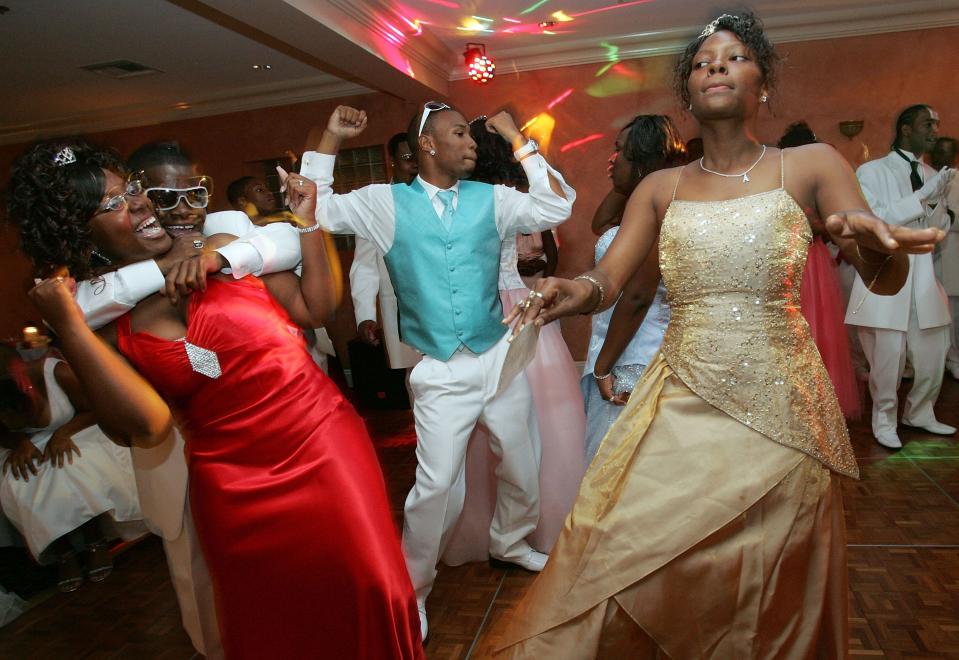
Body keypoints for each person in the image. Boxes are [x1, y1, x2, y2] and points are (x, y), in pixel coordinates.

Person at [493, 12, 943, 657]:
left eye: (733, 57)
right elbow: (611, 283)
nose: (716, 67)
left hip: (783, 407)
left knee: (769, 570)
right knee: (624, 538)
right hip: (679, 397)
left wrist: (879, 250)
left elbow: (887, 273)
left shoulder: (810, 164)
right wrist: (573, 292)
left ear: (762, 83)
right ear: (689, 91)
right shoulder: (660, 186)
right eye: (703, 61)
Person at [10, 140, 423, 659]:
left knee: (370, 586)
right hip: (230, 481)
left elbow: (317, 306)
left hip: (322, 446)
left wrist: (305, 223)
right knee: (269, 618)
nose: (139, 204)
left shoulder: (229, 246)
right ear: (81, 234)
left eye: (133, 190)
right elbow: (147, 425)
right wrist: (68, 325)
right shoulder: (104, 324)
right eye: (113, 204)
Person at [300, 103, 575, 640]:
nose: (471, 142)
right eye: (458, 134)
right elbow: (319, 209)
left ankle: (510, 542)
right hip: (440, 372)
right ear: (427, 144)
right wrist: (330, 138)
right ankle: (414, 589)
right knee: (434, 486)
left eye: (473, 136)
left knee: (521, 460)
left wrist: (517, 138)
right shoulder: (385, 203)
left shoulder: (491, 198)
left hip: (498, 355)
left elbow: (555, 205)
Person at [66, 139, 303, 658]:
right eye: (156, 195)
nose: (171, 209)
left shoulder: (219, 236)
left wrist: (220, 255)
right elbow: (125, 412)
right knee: (198, 580)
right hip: (177, 458)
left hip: (259, 449)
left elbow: (289, 244)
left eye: (188, 193)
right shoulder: (94, 301)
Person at [441, 117, 585, 564]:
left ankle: (498, 528)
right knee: (538, 421)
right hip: (512, 307)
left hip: (491, 309)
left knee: (506, 426)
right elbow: (561, 205)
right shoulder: (506, 200)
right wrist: (523, 143)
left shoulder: (476, 200)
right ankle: (535, 527)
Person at [845, 105, 956, 448]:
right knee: (887, 358)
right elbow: (876, 220)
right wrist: (921, 197)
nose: (934, 131)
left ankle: (920, 411)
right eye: (928, 124)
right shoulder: (871, 171)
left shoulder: (931, 172)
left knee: (934, 349)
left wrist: (937, 204)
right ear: (906, 129)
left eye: (936, 125)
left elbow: (939, 230)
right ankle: (884, 419)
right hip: (887, 275)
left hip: (923, 275)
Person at [582, 115, 684, 463]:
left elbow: (637, 297)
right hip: (619, 340)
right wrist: (634, 182)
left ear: (641, 160)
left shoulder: (660, 216)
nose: (612, 160)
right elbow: (599, 224)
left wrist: (602, 365)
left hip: (638, 351)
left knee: (626, 462)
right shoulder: (644, 205)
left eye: (620, 152)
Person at [0, 348, 142, 592]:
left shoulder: (56, 373)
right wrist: (19, 443)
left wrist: (62, 433)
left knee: (67, 467)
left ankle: (93, 538)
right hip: (26, 445)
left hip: (76, 429)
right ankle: (63, 551)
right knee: (21, 479)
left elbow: (96, 408)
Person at [778, 121, 861, 419]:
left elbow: (832, 221)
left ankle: (812, 398)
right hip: (802, 258)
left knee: (813, 324)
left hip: (806, 258)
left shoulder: (793, 177)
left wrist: (815, 225)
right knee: (803, 324)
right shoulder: (788, 178)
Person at [349, 133, 421, 374]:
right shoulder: (377, 203)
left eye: (419, 157)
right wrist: (366, 315)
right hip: (403, 308)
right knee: (417, 379)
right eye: (408, 157)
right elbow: (364, 265)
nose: (415, 164)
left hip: (447, 306)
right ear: (392, 161)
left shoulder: (438, 194)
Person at [930, 136, 959, 378]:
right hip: (926, 256)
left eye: (947, 153)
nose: (942, 157)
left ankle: (955, 358)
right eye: (938, 152)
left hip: (953, 253)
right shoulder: (925, 177)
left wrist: (947, 218)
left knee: (953, 312)